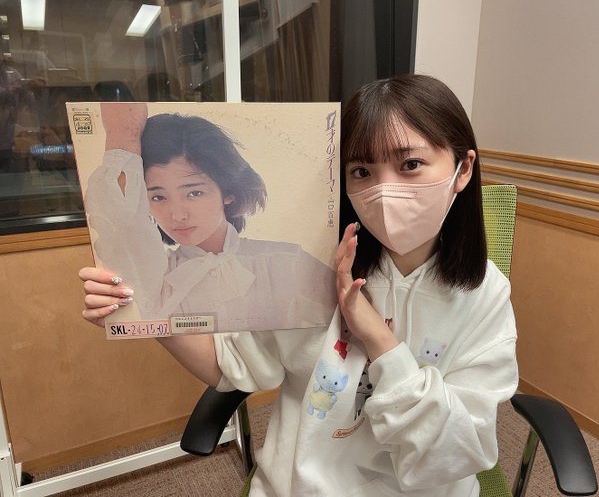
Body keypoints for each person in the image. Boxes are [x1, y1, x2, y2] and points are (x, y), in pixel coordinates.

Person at [80, 74, 518, 496]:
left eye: (411, 164)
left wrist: (379, 340)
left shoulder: (485, 294)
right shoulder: (308, 271)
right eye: (362, 171)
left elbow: (458, 450)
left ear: (463, 169)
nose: (384, 191)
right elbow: (234, 365)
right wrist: (140, 311)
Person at [84, 103, 335, 333]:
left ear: (228, 192)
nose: (178, 215)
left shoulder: (286, 261)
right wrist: (123, 137)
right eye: (158, 197)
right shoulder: (154, 275)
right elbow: (120, 218)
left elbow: (344, 327)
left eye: (194, 193)